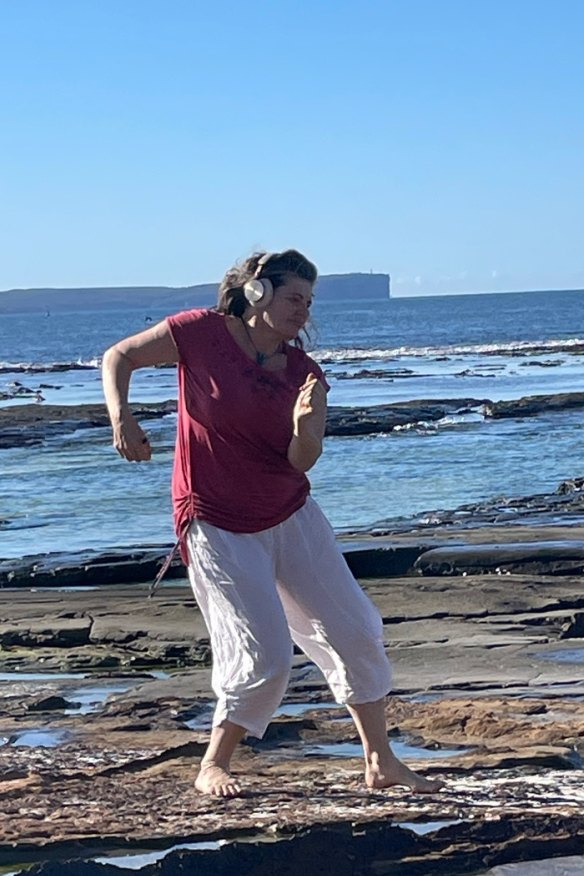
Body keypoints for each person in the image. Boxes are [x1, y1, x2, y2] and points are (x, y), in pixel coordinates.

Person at [102, 249, 442, 798]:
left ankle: (380, 761)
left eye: (308, 302)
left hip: (290, 512)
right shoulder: (200, 333)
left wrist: (307, 428)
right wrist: (123, 415)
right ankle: (214, 763)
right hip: (214, 518)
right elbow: (119, 356)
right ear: (258, 293)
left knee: (356, 628)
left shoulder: (305, 374)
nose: (302, 311)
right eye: (293, 298)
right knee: (263, 650)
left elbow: (302, 459)